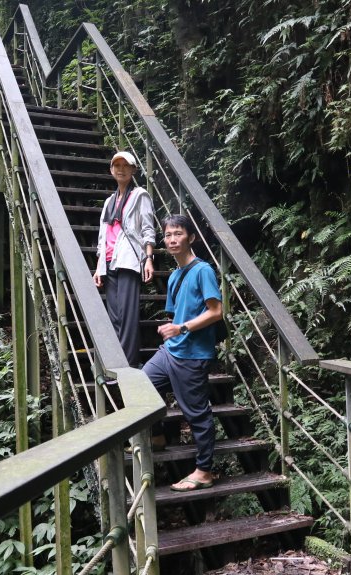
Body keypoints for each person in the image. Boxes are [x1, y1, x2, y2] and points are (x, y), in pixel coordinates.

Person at [142, 213, 223, 492]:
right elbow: (176, 314)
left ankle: (204, 471)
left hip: (193, 354)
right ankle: (158, 436)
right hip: (171, 351)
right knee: (141, 385)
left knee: (196, 413)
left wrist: (182, 328)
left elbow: (216, 312)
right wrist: (172, 329)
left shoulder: (203, 271)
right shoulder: (175, 275)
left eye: (178, 233)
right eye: (167, 235)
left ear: (191, 237)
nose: (172, 239)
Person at [94, 151, 155, 367]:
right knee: (115, 316)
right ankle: (117, 360)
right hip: (109, 262)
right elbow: (103, 236)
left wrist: (148, 258)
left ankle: (129, 364)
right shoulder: (109, 201)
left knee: (127, 316)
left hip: (129, 260)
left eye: (125, 165)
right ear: (111, 170)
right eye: (116, 165)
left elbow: (148, 229)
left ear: (133, 170)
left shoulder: (140, 195)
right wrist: (98, 267)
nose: (120, 169)